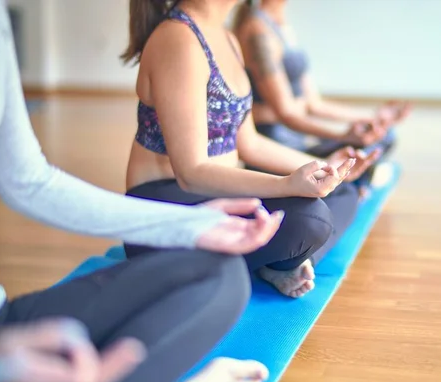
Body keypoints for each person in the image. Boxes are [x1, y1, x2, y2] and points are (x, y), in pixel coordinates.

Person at [0, 0, 280, 382]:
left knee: (221, 274)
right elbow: (193, 167)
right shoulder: (179, 37)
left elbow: (30, 182)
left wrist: (190, 226)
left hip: (0, 320)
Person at [120, 0, 380, 299]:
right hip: (165, 212)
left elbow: (249, 143)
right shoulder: (178, 39)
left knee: (342, 191)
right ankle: (278, 261)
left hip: (217, 192)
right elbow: (191, 174)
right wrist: (285, 184)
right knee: (310, 219)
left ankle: (284, 263)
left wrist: (322, 167)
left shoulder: (226, 38)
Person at [232, 0, 412, 195]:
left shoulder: (281, 25)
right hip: (276, 146)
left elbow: (314, 103)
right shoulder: (257, 29)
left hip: (300, 137)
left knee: (386, 134)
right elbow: (287, 112)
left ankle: (358, 181)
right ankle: (357, 183)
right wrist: (342, 136)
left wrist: (371, 118)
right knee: (343, 186)